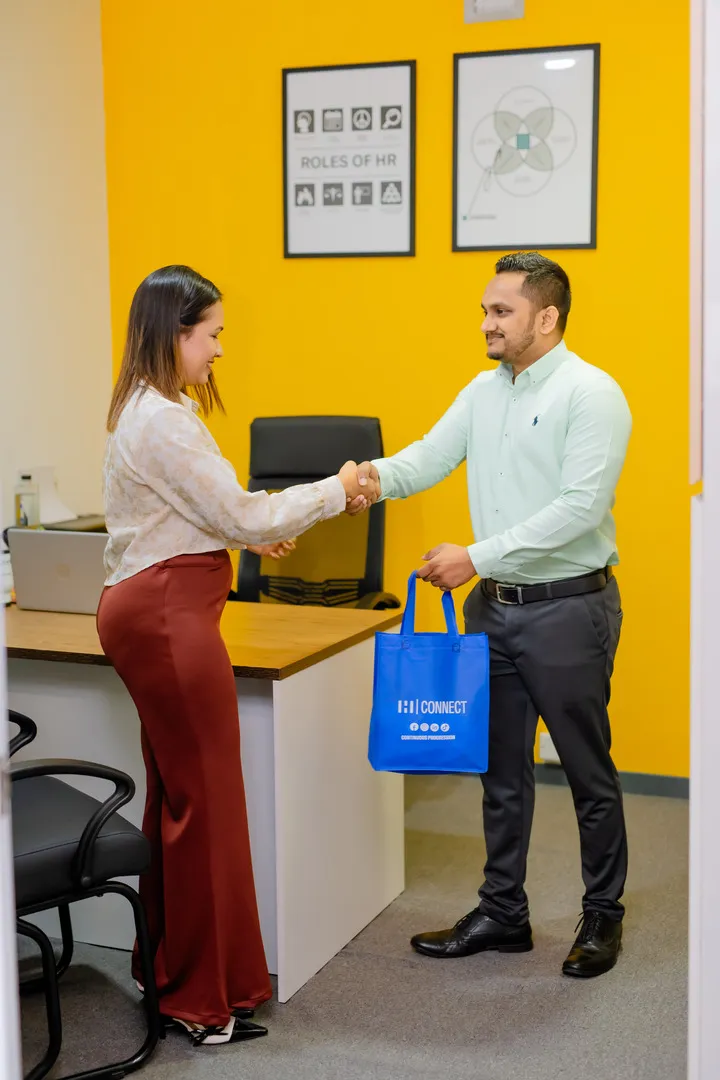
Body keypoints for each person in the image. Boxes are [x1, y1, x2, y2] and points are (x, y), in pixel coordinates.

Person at [97, 265, 372, 1046]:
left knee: (179, 799)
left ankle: (172, 971)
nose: (220, 349)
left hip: (153, 608)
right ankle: (200, 1001)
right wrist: (333, 488)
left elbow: (196, 514)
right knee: (205, 806)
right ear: (175, 333)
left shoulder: (146, 408)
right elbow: (244, 512)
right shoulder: (165, 420)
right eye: (212, 334)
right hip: (167, 617)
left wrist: (237, 529)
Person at [354, 251, 632, 979]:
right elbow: (425, 458)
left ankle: (603, 917)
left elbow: (580, 510)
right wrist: (365, 480)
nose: (486, 323)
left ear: (547, 317)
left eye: (501, 311)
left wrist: (478, 554)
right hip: (495, 614)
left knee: (585, 773)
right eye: (484, 310)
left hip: (567, 609)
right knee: (498, 771)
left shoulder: (591, 394)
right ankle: (503, 912)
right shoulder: (484, 391)